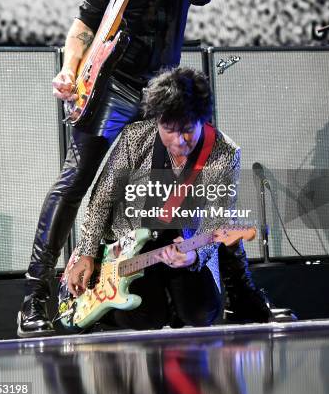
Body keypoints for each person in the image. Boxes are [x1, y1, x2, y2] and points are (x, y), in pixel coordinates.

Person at [17, 0, 224, 337]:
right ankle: (36, 295)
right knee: (77, 180)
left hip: (164, 90)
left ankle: (229, 290)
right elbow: (84, 24)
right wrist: (70, 70)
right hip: (114, 83)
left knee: (197, 181)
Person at [65, 67, 260, 330]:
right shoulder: (135, 138)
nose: (180, 141)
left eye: (188, 130)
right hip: (128, 246)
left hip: (184, 242)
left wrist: (195, 256)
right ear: (156, 121)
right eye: (170, 130)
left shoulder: (224, 153)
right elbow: (102, 200)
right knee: (144, 318)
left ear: (204, 119)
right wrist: (87, 253)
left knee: (202, 313)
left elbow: (218, 219)